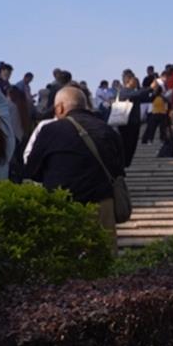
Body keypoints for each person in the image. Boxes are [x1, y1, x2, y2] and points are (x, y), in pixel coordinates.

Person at [22, 85, 126, 236]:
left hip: (62, 206)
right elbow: (119, 168)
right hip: (102, 205)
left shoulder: (50, 130)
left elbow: (31, 170)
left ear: (60, 108)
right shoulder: (108, 130)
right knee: (103, 248)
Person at [113, 70, 146, 167]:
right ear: (128, 80)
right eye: (134, 80)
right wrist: (150, 88)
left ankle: (126, 164)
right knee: (126, 145)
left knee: (131, 146)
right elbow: (137, 94)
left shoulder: (134, 92)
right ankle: (122, 165)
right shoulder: (124, 91)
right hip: (126, 123)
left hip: (134, 123)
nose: (136, 82)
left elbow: (144, 97)